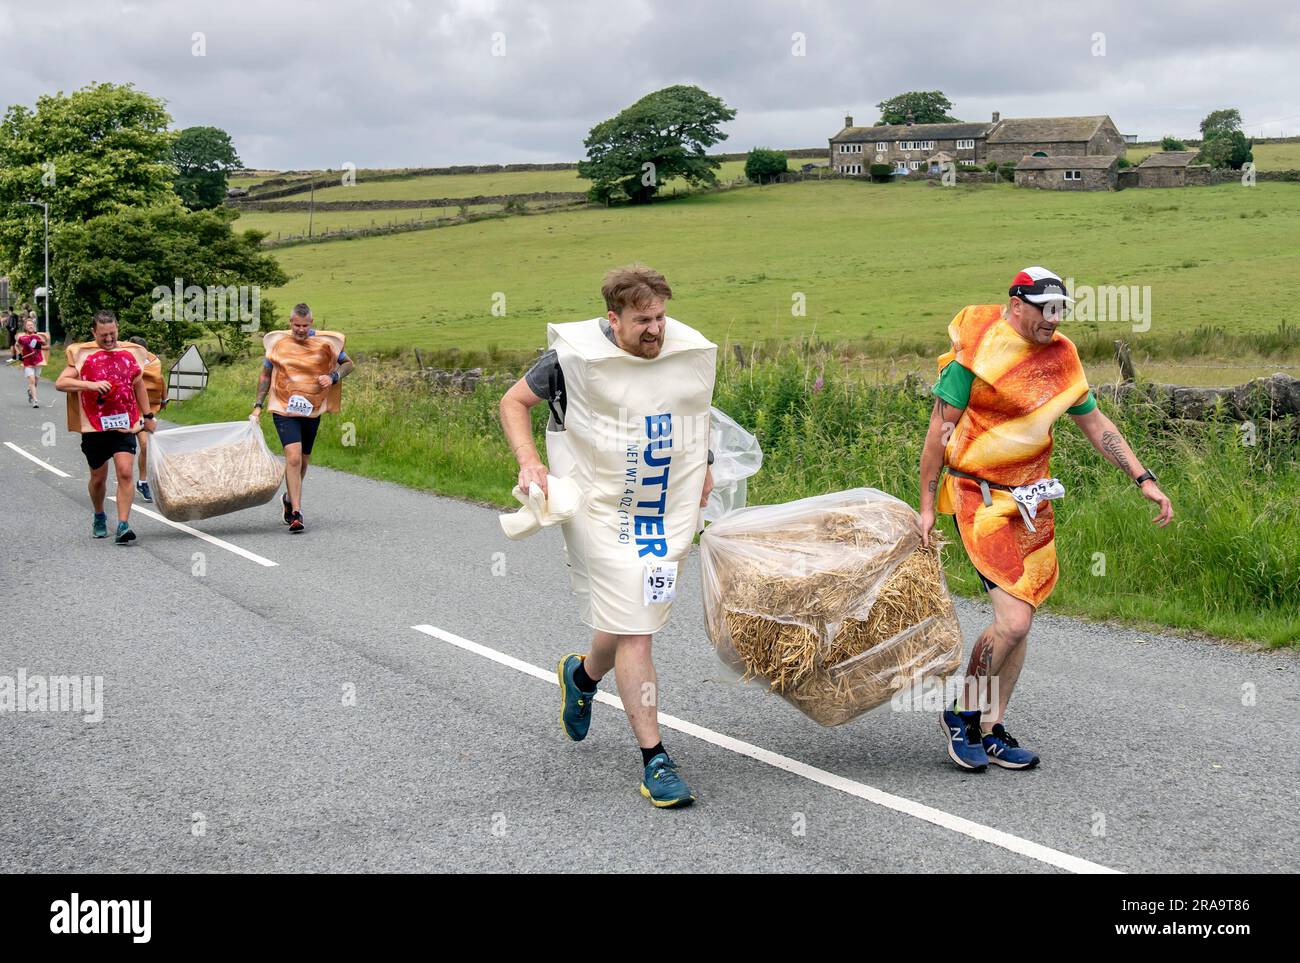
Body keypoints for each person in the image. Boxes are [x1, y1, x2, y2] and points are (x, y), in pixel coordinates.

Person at [917, 267, 1173, 772]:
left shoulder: (1062, 358)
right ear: (1017, 304)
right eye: (1043, 309)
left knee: (1024, 617)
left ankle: (992, 726)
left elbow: (1097, 425)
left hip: (1032, 501)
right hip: (979, 496)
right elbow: (937, 434)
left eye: (1059, 310)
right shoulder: (976, 348)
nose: (1052, 320)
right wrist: (927, 506)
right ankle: (962, 713)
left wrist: (1143, 478)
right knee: (1011, 621)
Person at [499, 265, 716, 808]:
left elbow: (689, 408)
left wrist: (705, 463)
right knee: (637, 630)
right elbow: (513, 403)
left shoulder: (678, 350)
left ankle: (582, 675)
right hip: (598, 510)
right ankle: (656, 760)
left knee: (633, 615)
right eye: (643, 320)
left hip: (660, 504)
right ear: (613, 317)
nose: (656, 330)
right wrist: (530, 461)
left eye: (661, 317)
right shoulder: (569, 359)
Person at [249, 303, 353, 533]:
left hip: (311, 410)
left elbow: (348, 364)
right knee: (293, 458)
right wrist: (258, 405)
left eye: (305, 325)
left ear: (311, 324)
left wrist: (333, 376)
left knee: (303, 461)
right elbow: (266, 375)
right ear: (290, 323)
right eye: (297, 325)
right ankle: (296, 512)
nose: (300, 329)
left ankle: (288, 498)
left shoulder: (324, 342)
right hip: (283, 408)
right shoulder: (279, 343)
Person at [55, 310, 156, 544]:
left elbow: (139, 385)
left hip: (124, 425)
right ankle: (99, 514)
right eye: (103, 336)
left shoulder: (129, 354)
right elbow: (61, 383)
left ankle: (123, 525)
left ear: (117, 329)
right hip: (95, 428)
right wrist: (90, 385)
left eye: (112, 333)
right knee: (98, 479)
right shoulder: (83, 355)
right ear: (94, 333)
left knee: (125, 472)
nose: (109, 339)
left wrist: (148, 415)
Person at [125, 336, 166, 502]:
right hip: (124, 413)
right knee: (124, 452)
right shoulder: (121, 363)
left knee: (145, 445)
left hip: (142, 413)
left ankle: (142, 482)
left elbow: (160, 379)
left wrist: (164, 399)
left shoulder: (152, 366)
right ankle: (123, 479)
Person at [15, 317, 49, 407]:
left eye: (32, 325)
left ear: (34, 326)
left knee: (36, 382)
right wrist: (19, 354)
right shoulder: (22, 338)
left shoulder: (37, 337)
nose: (30, 326)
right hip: (28, 363)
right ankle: (35, 401)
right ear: (25, 327)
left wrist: (41, 343)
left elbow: (46, 346)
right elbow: (17, 345)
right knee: (32, 380)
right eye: (28, 325)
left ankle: (30, 391)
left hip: (38, 361)